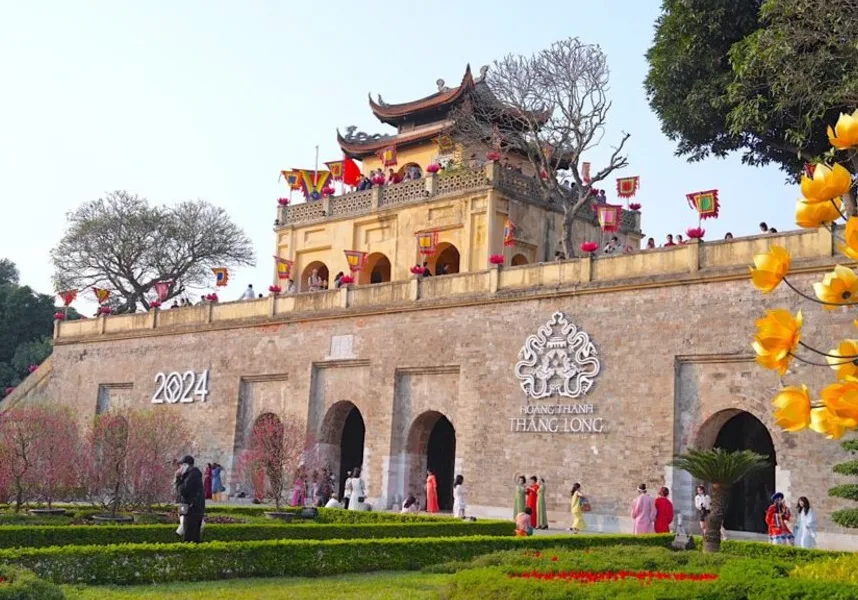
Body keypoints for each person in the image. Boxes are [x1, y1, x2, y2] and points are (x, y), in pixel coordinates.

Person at [175, 455, 205, 543]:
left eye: (182, 465)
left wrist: (178, 478)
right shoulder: (191, 475)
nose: (180, 468)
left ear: (187, 465)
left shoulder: (192, 476)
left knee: (189, 536)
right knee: (192, 535)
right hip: (193, 509)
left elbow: (182, 491)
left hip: (192, 510)